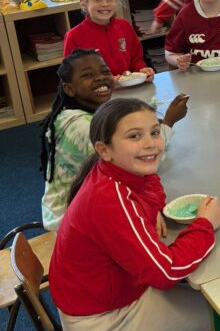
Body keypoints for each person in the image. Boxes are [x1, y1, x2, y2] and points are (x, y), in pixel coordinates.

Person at [48, 98, 220, 331]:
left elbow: (150, 190)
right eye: (134, 136)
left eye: (154, 132)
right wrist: (205, 225)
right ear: (104, 150)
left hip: (105, 299)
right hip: (102, 325)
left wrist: (152, 211)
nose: (150, 143)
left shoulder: (114, 175)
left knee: (211, 301)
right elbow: (165, 271)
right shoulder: (111, 199)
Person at [40, 49, 188, 232]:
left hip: (87, 202)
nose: (100, 78)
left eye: (105, 71)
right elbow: (143, 159)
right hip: (71, 220)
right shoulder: (82, 126)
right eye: (88, 75)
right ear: (69, 89)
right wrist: (168, 122)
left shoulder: (74, 112)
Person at [63, 0, 154, 82]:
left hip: (128, 88)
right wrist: (104, 80)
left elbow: (136, 59)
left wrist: (142, 70)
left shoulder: (124, 26)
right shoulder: (74, 36)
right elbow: (72, 75)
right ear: (83, 3)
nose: (104, 4)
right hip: (96, 90)